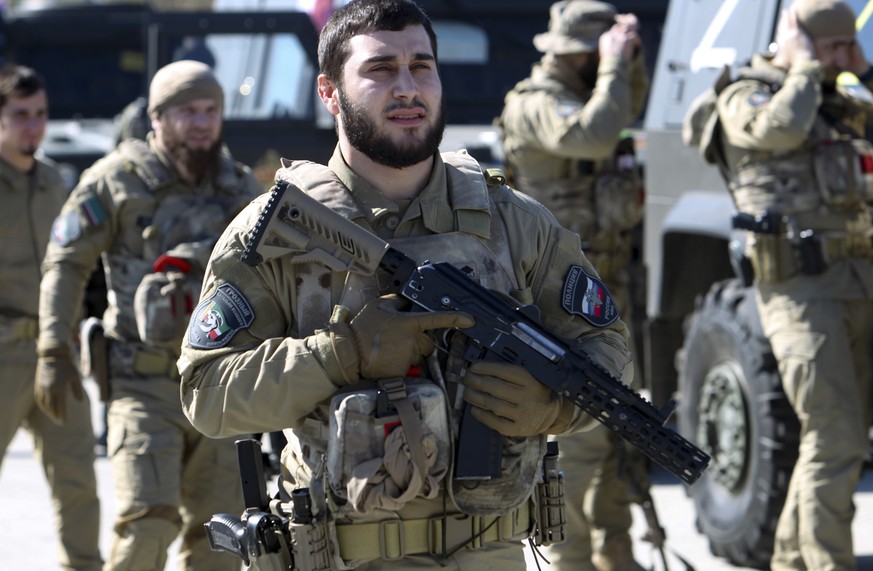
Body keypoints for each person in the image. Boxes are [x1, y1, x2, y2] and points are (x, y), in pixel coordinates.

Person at [177, 0, 634, 569]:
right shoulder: (275, 232)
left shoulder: (515, 221)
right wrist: (339, 355)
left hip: (492, 550)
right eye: (380, 70)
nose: (407, 88)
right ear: (328, 92)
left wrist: (554, 408)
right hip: (345, 554)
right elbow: (206, 393)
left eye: (422, 66)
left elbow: (609, 346)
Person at [37, 59, 262, 570]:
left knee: (219, 542)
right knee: (147, 526)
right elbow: (66, 262)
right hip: (141, 386)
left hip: (221, 388)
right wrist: (53, 348)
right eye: (188, 111)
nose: (202, 122)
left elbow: (278, 275)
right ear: (157, 118)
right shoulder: (116, 179)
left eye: (211, 110)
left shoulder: (240, 188)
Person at [686, 0, 873, 569]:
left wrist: (847, 73)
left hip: (857, 282)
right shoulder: (749, 92)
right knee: (834, 433)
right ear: (800, 40)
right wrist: (802, 68)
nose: (845, 57)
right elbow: (777, 130)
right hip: (800, 291)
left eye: (849, 45)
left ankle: (793, 559)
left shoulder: (841, 101)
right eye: (832, 46)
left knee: (841, 435)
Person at [498, 2, 649, 569]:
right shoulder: (537, 103)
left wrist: (626, 64)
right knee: (581, 437)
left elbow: (628, 107)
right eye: (605, 52)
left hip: (607, 286)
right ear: (582, 55)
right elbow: (593, 136)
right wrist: (613, 66)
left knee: (623, 427)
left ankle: (616, 547)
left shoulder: (587, 92)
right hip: (561, 298)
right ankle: (573, 560)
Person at [0, 64, 102, 571]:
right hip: (1, 354)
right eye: (20, 116)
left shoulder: (58, 181)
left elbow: (77, 264)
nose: (33, 126)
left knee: (78, 481)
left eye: (40, 115)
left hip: (55, 352)